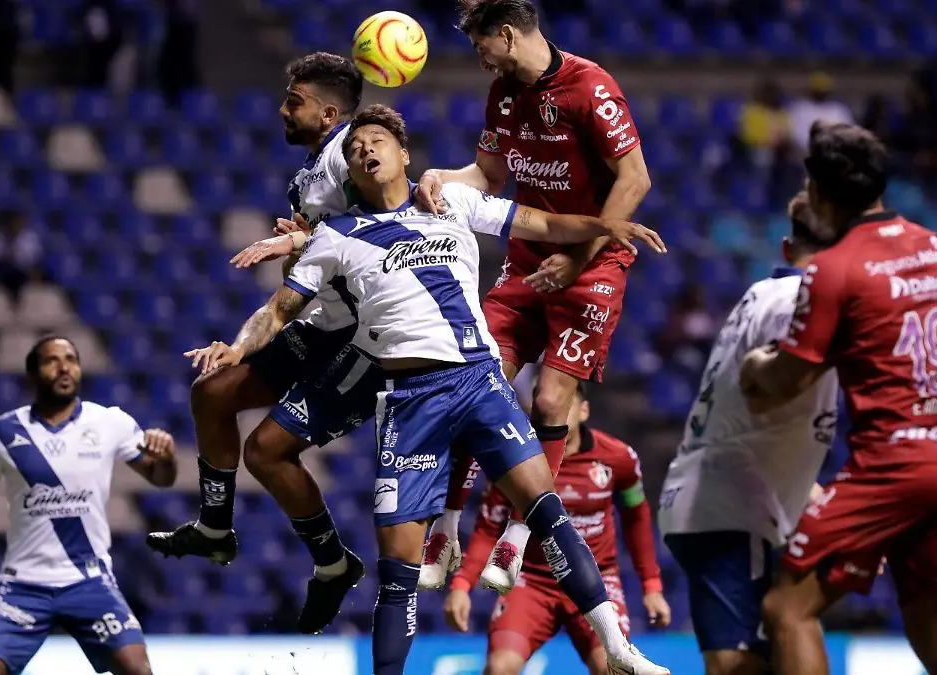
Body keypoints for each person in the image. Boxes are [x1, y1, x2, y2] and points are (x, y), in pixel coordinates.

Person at [213, 104, 668, 675]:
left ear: (405, 154)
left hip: (479, 379)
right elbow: (278, 311)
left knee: (547, 512)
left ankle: (618, 646)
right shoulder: (336, 235)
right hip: (410, 400)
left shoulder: (450, 201)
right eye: (355, 149)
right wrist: (238, 347)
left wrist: (606, 226)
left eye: (377, 141)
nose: (365, 151)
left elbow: (544, 225)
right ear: (348, 172)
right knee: (398, 571)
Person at [414, 0, 653, 594]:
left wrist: (576, 258)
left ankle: (520, 536)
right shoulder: (501, 94)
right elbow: (489, 176)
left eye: (480, 45)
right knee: (473, 383)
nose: (478, 57)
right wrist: (441, 178)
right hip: (527, 261)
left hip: (592, 262)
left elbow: (635, 178)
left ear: (505, 34)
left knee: (550, 404)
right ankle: (444, 529)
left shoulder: (589, 87)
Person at [145, 52, 376, 635]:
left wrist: (303, 237)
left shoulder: (356, 153)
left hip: (363, 341)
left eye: (294, 100)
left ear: (328, 112)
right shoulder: (310, 172)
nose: (282, 109)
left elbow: (389, 224)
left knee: (267, 451)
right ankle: (215, 530)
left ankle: (334, 565)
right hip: (318, 325)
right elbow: (306, 276)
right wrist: (298, 249)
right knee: (213, 392)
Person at [740, 122, 937, 675]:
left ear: (820, 193)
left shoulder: (834, 268)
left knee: (788, 608)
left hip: (893, 468)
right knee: (936, 640)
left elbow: (786, 381)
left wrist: (756, 364)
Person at [0, 336, 178, 675]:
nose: (64, 366)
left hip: (89, 582)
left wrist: (168, 458)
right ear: (32, 374)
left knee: (139, 671)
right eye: (52, 360)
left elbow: (160, 478)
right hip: (23, 586)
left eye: (71, 359)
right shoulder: (5, 431)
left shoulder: (110, 422)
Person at [657, 190, 839, 675]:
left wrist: (810, 493)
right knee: (762, 650)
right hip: (734, 504)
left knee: (780, 639)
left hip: (712, 493)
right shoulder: (801, 302)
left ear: (785, 248)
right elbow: (767, 390)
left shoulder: (760, 294)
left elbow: (754, 420)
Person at [444, 382, 671, 675]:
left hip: (598, 580)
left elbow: (637, 518)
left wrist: (651, 586)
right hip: (532, 583)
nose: (554, 411)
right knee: (499, 668)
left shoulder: (619, 459)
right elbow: (489, 528)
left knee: (611, 669)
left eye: (566, 403)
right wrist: (461, 586)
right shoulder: (516, 463)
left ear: (584, 410)